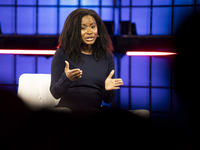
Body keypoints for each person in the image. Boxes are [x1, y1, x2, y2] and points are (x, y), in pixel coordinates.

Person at [50, 8, 123, 111]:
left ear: (98, 30)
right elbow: (55, 93)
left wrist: (108, 89)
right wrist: (66, 78)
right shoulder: (62, 53)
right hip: (67, 111)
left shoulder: (107, 56)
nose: (89, 32)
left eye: (93, 27)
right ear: (74, 31)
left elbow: (108, 99)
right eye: (83, 28)